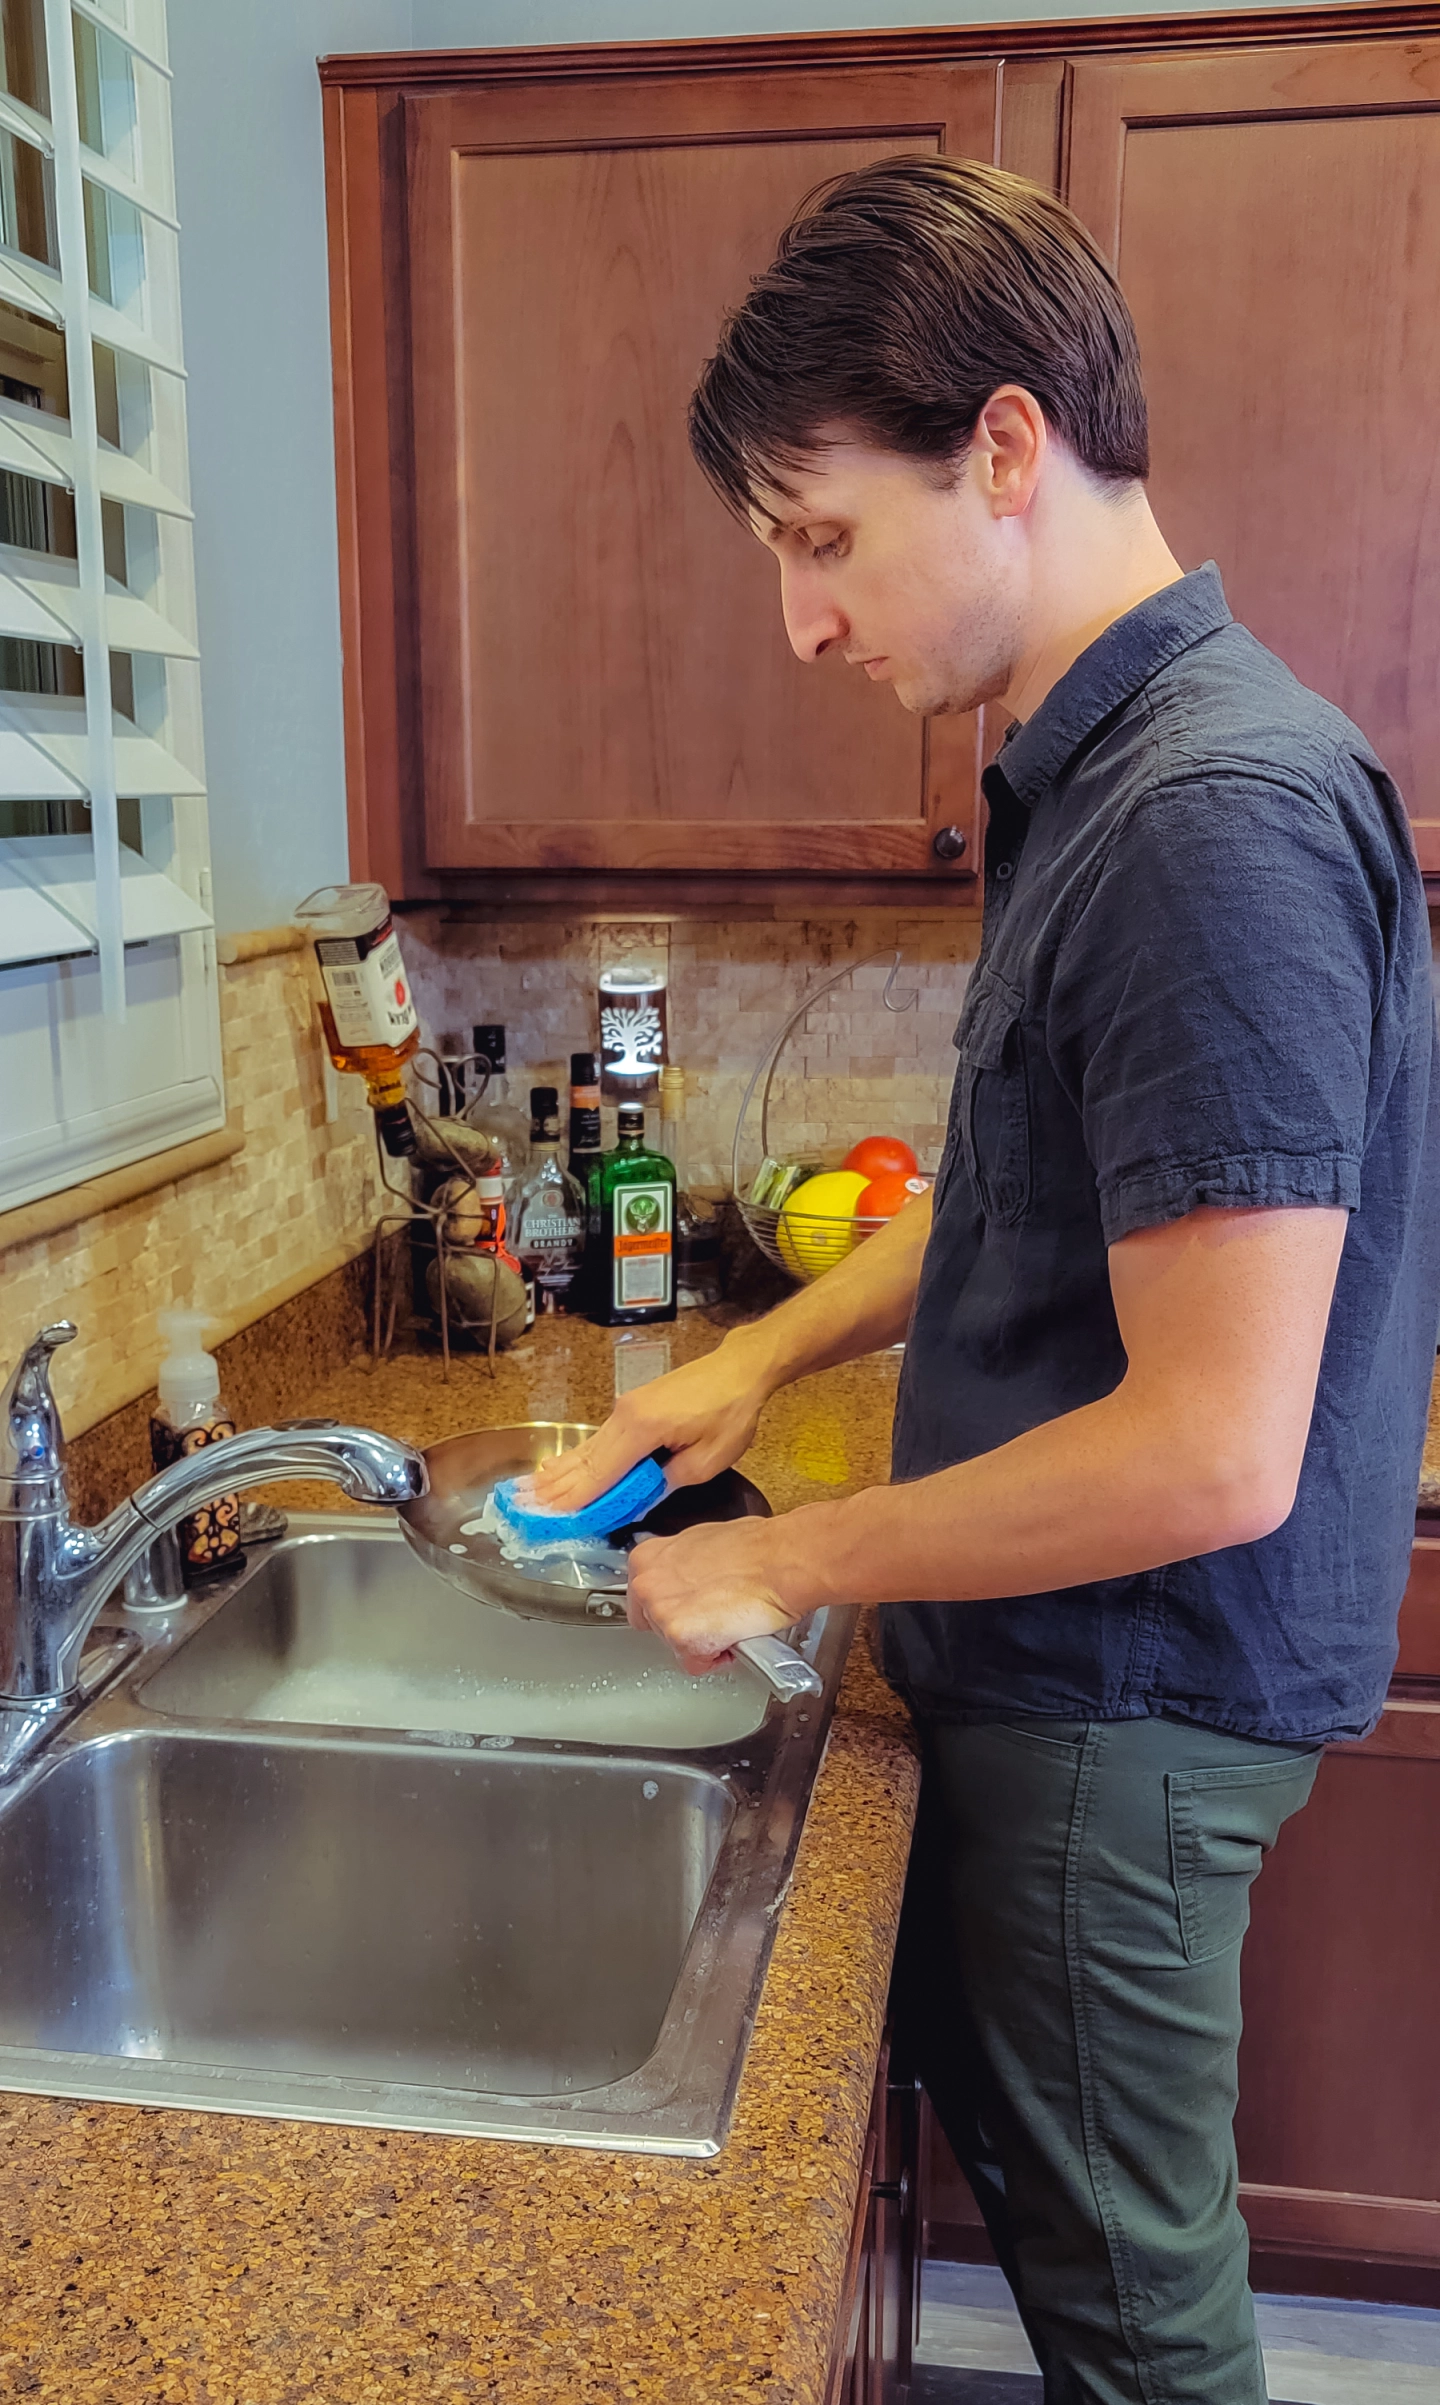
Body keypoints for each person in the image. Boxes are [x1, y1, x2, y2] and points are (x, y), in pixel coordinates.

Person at [534, 157, 1440, 2404]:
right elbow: (1034, 1196)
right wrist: (747, 1361)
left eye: (819, 536)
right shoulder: (1116, 774)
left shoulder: (1204, 813)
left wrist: (795, 1563)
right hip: (1077, 1686)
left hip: (1120, 1713)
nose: (802, 624)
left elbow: (1211, 1445)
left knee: (1141, 2338)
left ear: (1008, 449)